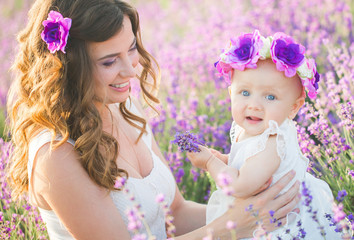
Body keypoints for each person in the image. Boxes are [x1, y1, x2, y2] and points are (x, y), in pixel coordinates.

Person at [7, 1, 301, 239]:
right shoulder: (56, 154)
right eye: (109, 61)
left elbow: (175, 214)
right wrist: (234, 225)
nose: (132, 71)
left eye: (132, 48)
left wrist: (263, 210)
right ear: (67, 67)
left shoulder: (127, 109)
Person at [187, 30, 342, 239]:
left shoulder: (272, 141)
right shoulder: (255, 129)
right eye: (245, 92)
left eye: (270, 96)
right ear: (231, 93)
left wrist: (209, 163)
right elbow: (249, 166)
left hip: (279, 229)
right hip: (260, 220)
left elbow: (240, 186)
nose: (254, 105)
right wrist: (225, 160)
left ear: (293, 107)